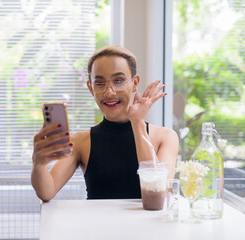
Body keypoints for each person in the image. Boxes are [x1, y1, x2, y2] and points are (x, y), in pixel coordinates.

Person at [31, 45, 179, 201]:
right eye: (100, 83)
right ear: (90, 87)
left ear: (135, 83)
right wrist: (38, 163)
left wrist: (137, 123)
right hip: (96, 225)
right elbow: (46, 192)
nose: (109, 92)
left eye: (118, 81)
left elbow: (160, 194)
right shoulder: (80, 142)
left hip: (149, 226)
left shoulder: (165, 137)